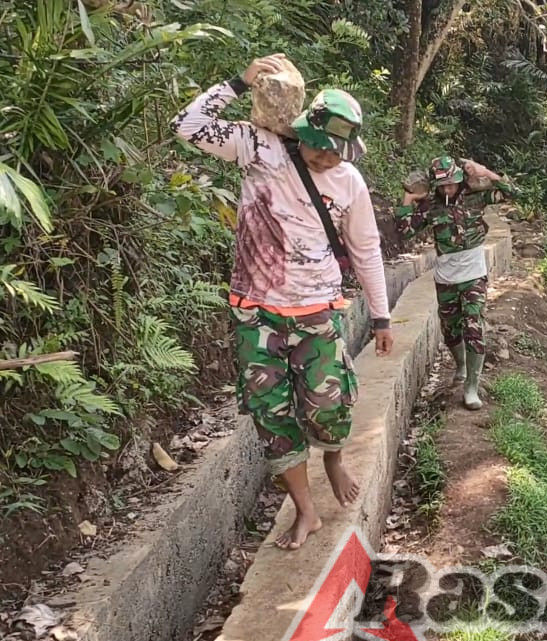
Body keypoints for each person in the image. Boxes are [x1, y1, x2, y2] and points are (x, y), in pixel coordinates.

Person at [171, 54, 394, 551]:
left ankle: (334, 458)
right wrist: (239, 80)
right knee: (271, 418)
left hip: (317, 312)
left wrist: (380, 316)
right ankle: (305, 510)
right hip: (258, 312)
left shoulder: (349, 181)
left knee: (327, 408)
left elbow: (366, 249)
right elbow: (187, 126)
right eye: (322, 149)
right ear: (304, 133)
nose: (330, 159)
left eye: (339, 152)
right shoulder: (257, 147)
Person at [395, 155, 515, 410]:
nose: (448, 189)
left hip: (473, 275)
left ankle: (471, 385)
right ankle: (461, 365)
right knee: (451, 329)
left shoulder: (474, 198)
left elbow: (510, 192)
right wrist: (408, 199)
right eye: (443, 186)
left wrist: (487, 172)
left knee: (474, 328)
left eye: (452, 184)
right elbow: (405, 231)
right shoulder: (431, 207)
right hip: (446, 278)